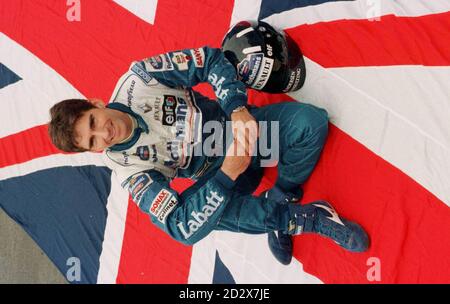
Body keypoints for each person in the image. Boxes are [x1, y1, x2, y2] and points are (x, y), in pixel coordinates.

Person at [48, 46, 369, 266]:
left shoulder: (140, 79)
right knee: (198, 216)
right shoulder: (126, 170)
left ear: (96, 102)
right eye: (93, 141)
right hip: (220, 174)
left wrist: (238, 108)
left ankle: (284, 195)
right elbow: (179, 226)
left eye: (93, 122)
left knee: (311, 124)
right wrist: (226, 174)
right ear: (94, 151)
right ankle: (303, 219)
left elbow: (211, 60)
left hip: (246, 132)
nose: (104, 134)